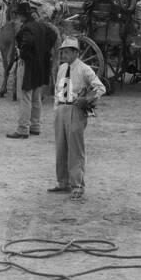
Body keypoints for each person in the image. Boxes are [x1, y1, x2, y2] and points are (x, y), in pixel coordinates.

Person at [49, 36, 105, 201]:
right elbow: (57, 90)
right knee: (61, 148)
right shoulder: (62, 68)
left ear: (75, 52)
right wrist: (56, 109)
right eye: (62, 52)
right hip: (61, 108)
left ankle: (77, 185)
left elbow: (100, 87)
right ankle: (62, 182)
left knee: (75, 149)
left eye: (67, 52)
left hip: (75, 109)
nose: (63, 55)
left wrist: (87, 99)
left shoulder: (84, 69)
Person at [8, 2, 57, 139]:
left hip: (28, 65)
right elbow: (53, 36)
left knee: (25, 97)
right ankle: (35, 126)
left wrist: (23, 54)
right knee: (36, 97)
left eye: (17, 15)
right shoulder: (41, 26)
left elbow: (27, 43)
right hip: (40, 65)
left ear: (21, 15)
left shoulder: (26, 28)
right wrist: (43, 51)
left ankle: (23, 128)